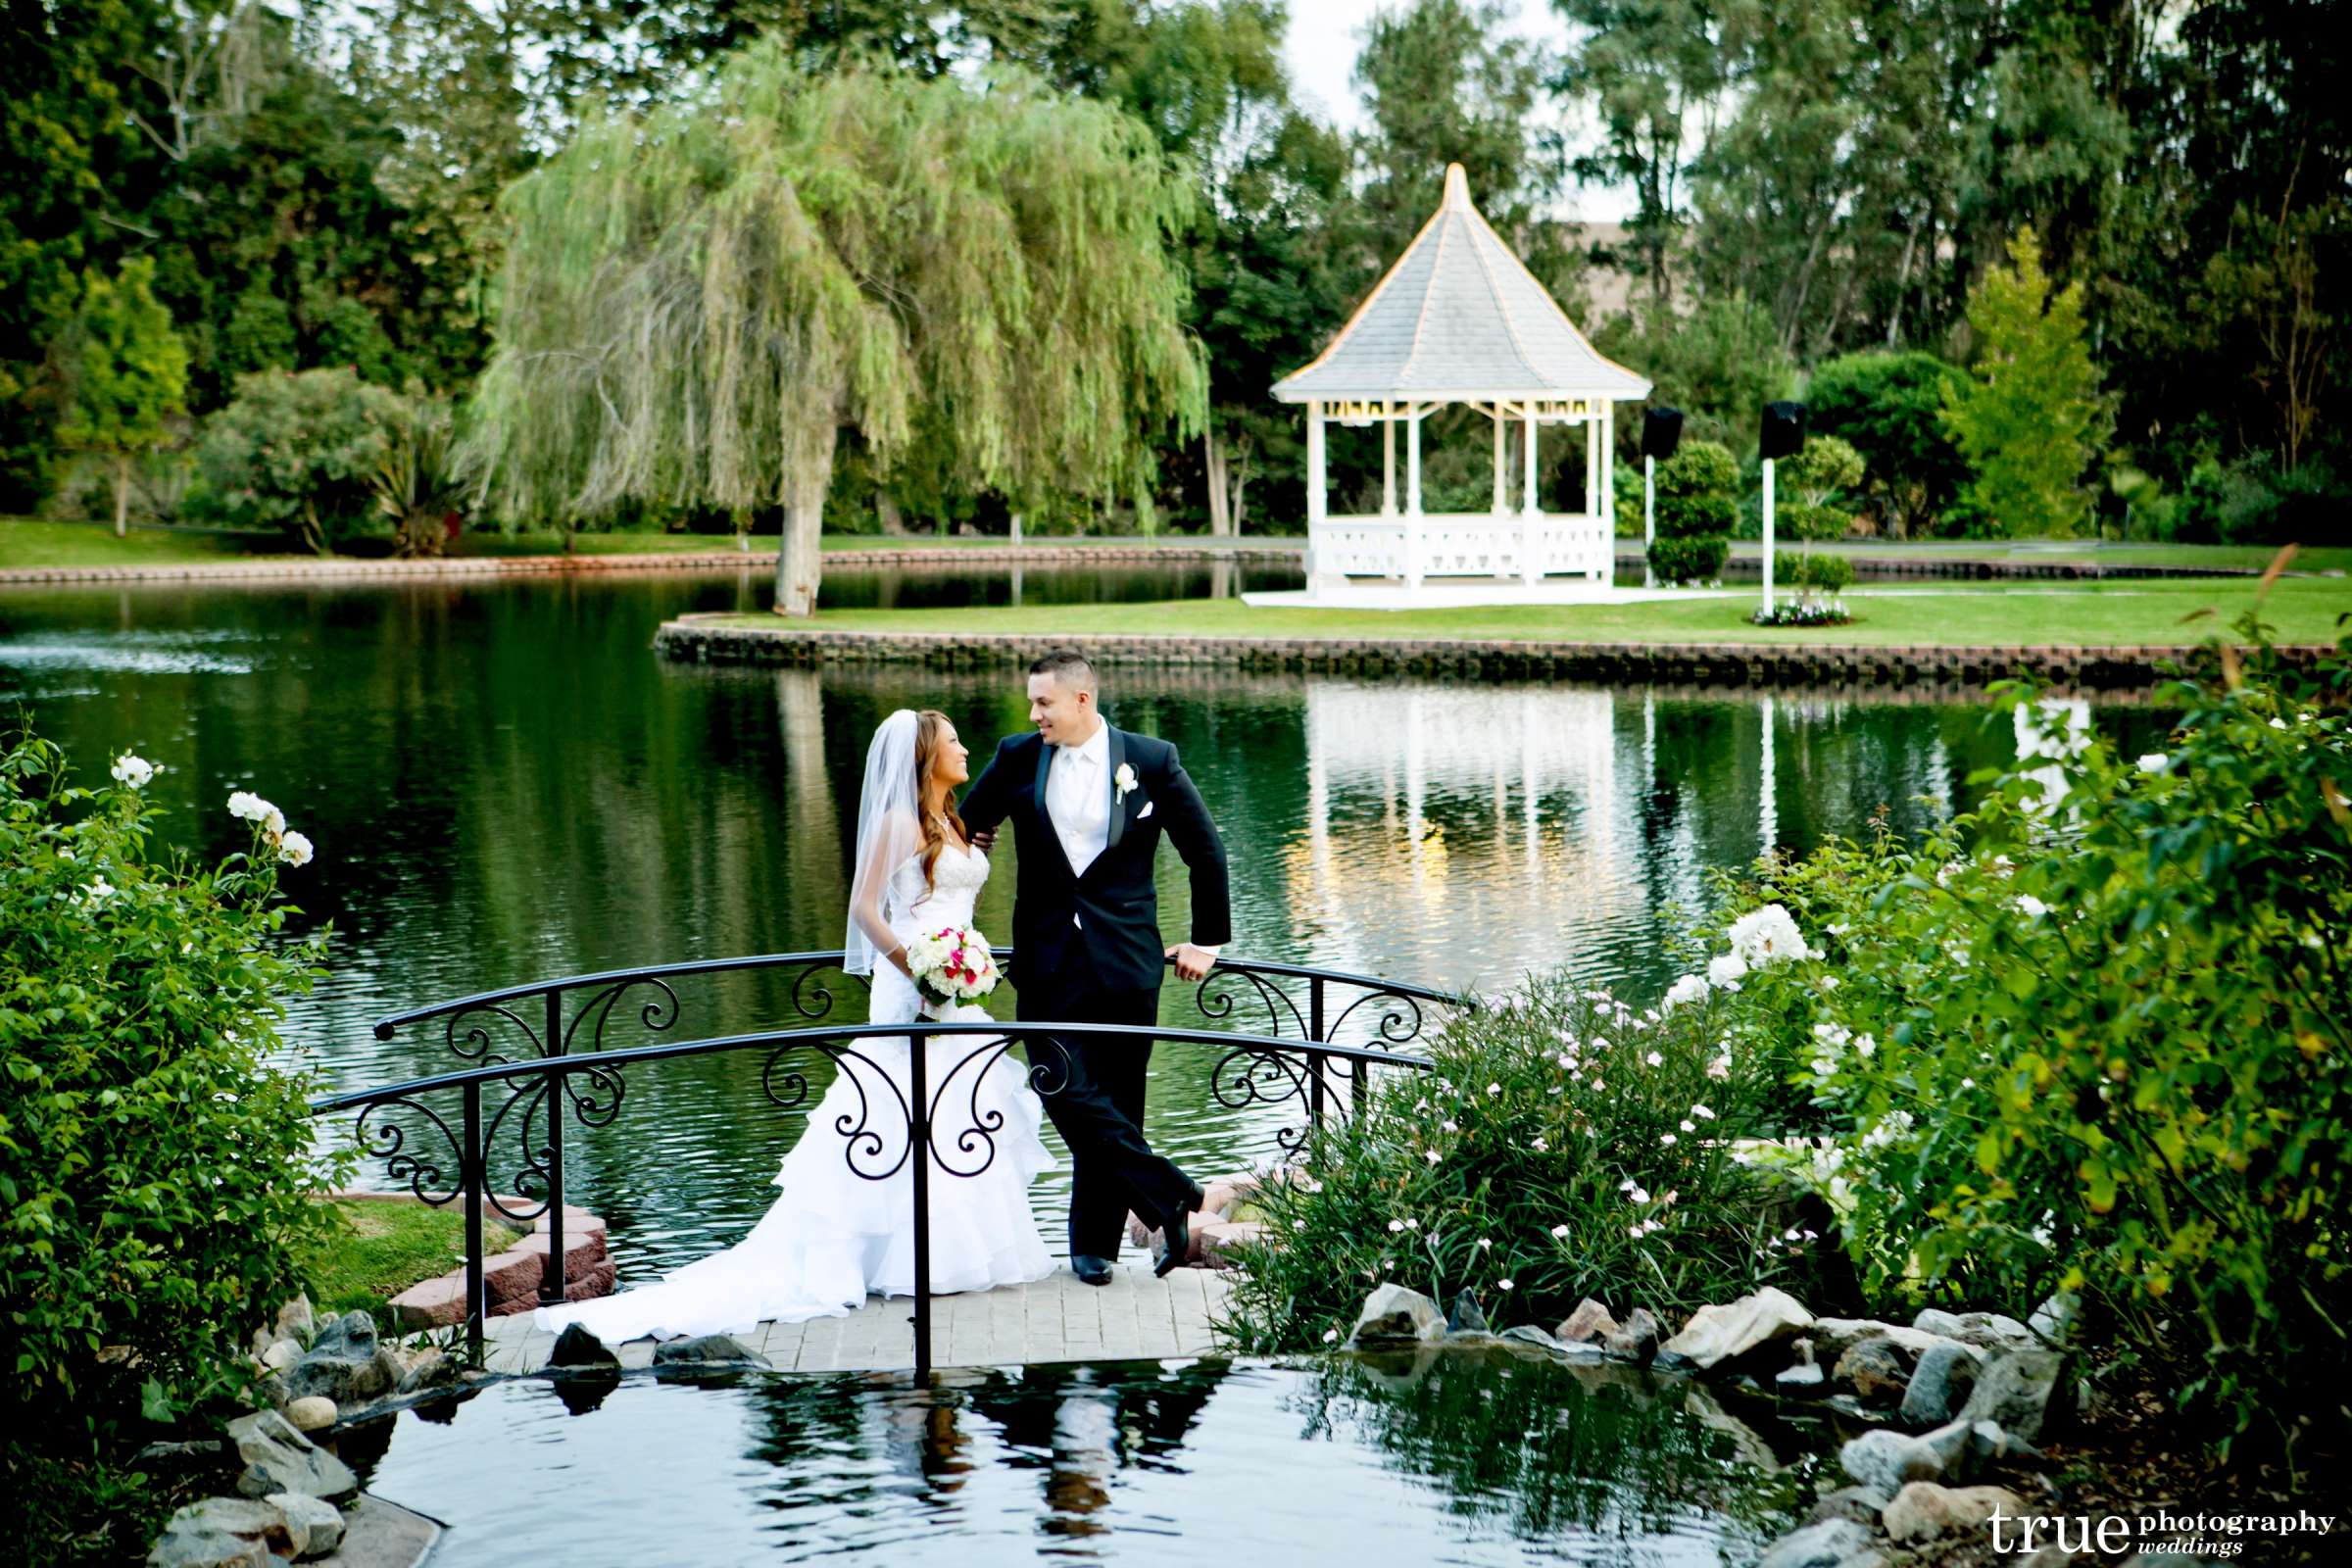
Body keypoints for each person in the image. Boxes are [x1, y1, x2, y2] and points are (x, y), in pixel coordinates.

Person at [534, 709, 1054, 1343]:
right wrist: (917, 969)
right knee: (897, 1108)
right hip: (913, 984)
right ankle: (884, 1258)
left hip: (955, 984)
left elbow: (955, 883)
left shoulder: (954, 821)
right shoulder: (897, 823)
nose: (966, 749)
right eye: (953, 742)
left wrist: (957, 961)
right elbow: (865, 908)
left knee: (956, 1109)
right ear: (925, 758)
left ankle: (951, 1256)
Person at [958, 647, 1230, 1285]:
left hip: (1128, 963)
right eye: (1032, 703)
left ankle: (1095, 1250)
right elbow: (964, 822)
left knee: (1117, 1103)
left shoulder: (1151, 761)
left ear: (1082, 700)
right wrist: (967, 835)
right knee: (1063, 1087)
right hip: (1047, 961)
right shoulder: (1018, 756)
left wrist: (1206, 941)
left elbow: (1205, 850)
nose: (1034, 713)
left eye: (1043, 702)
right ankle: (1170, 1198)